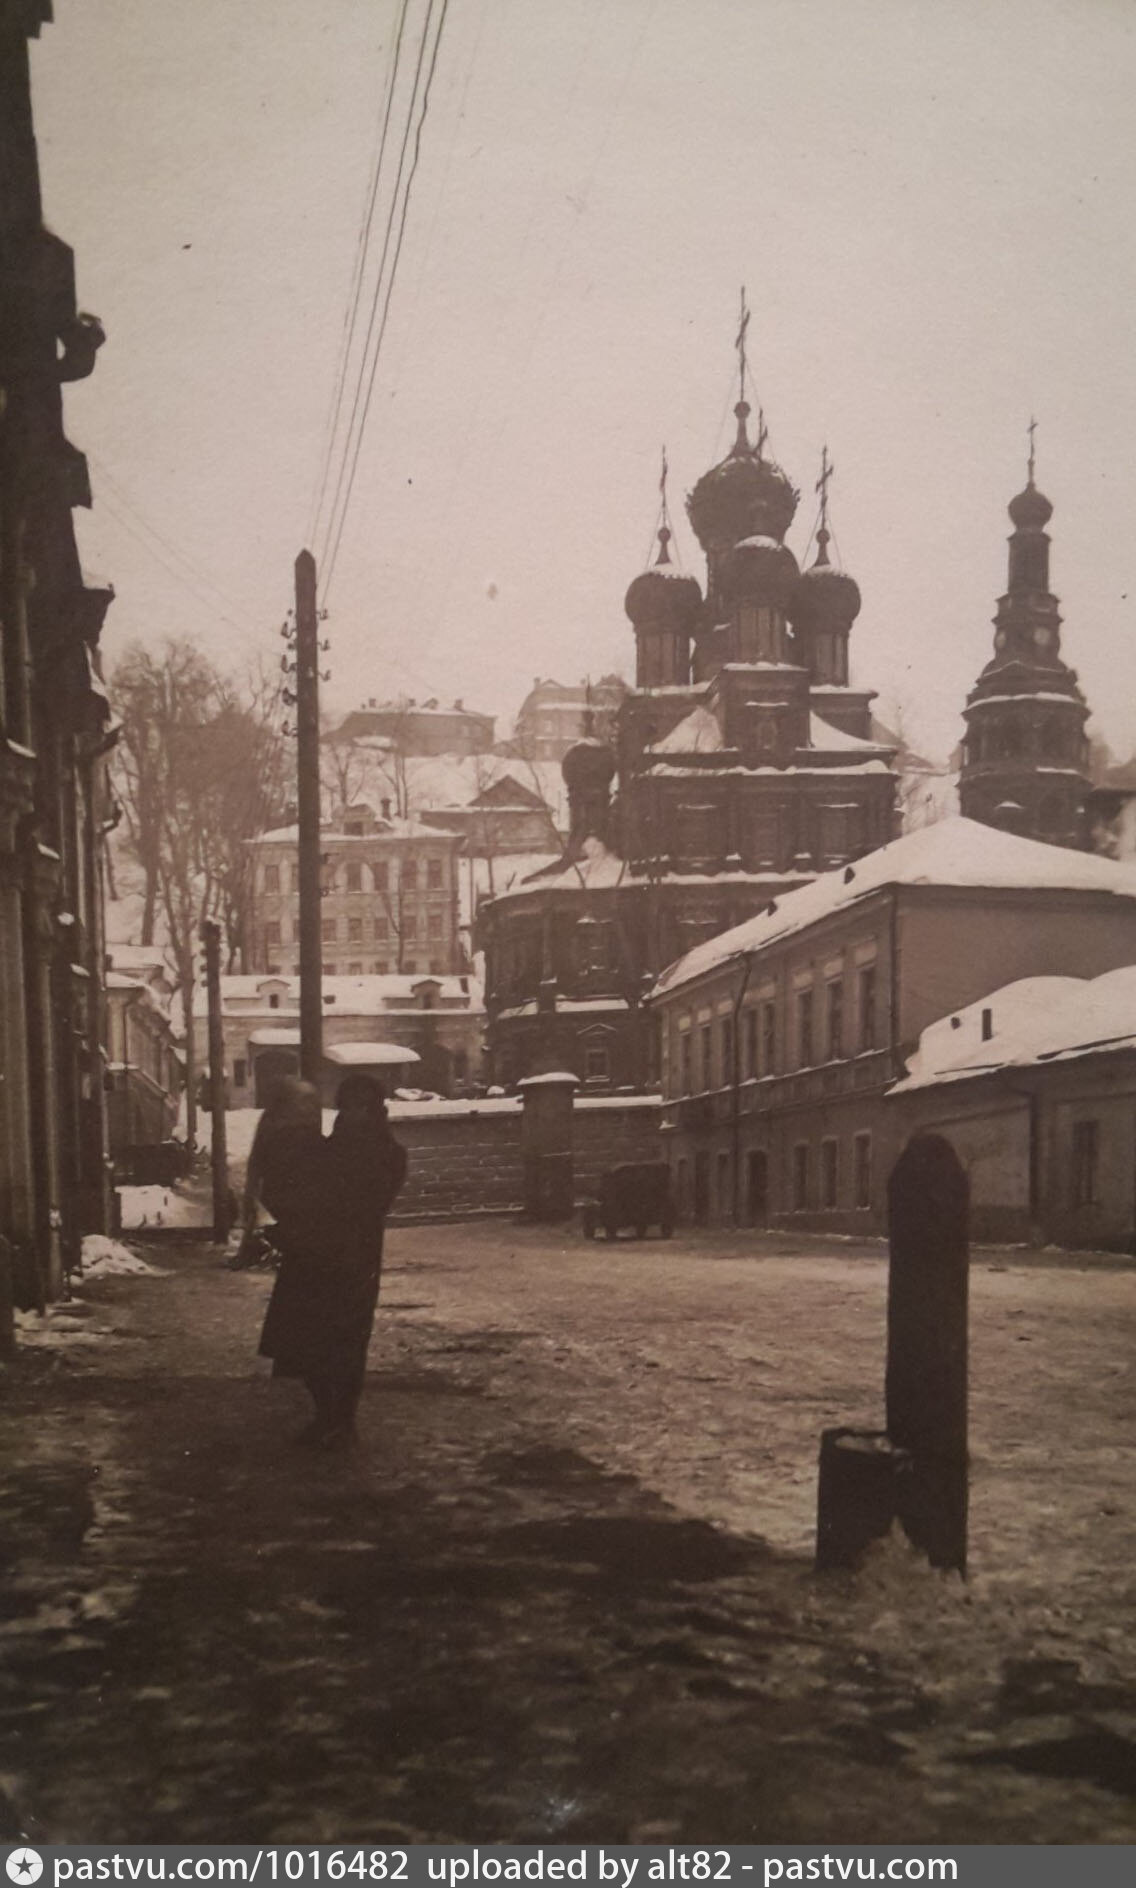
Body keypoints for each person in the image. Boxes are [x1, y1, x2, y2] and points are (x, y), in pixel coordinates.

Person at [311, 1073, 408, 1444]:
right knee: (317, 1336)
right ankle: (325, 1416)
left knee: (349, 1337)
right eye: (348, 1105)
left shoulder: (387, 1154)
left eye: (362, 1106)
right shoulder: (327, 1149)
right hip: (320, 1252)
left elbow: (374, 1202)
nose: (353, 1113)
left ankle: (343, 1419)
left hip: (357, 1254)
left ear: (375, 1109)